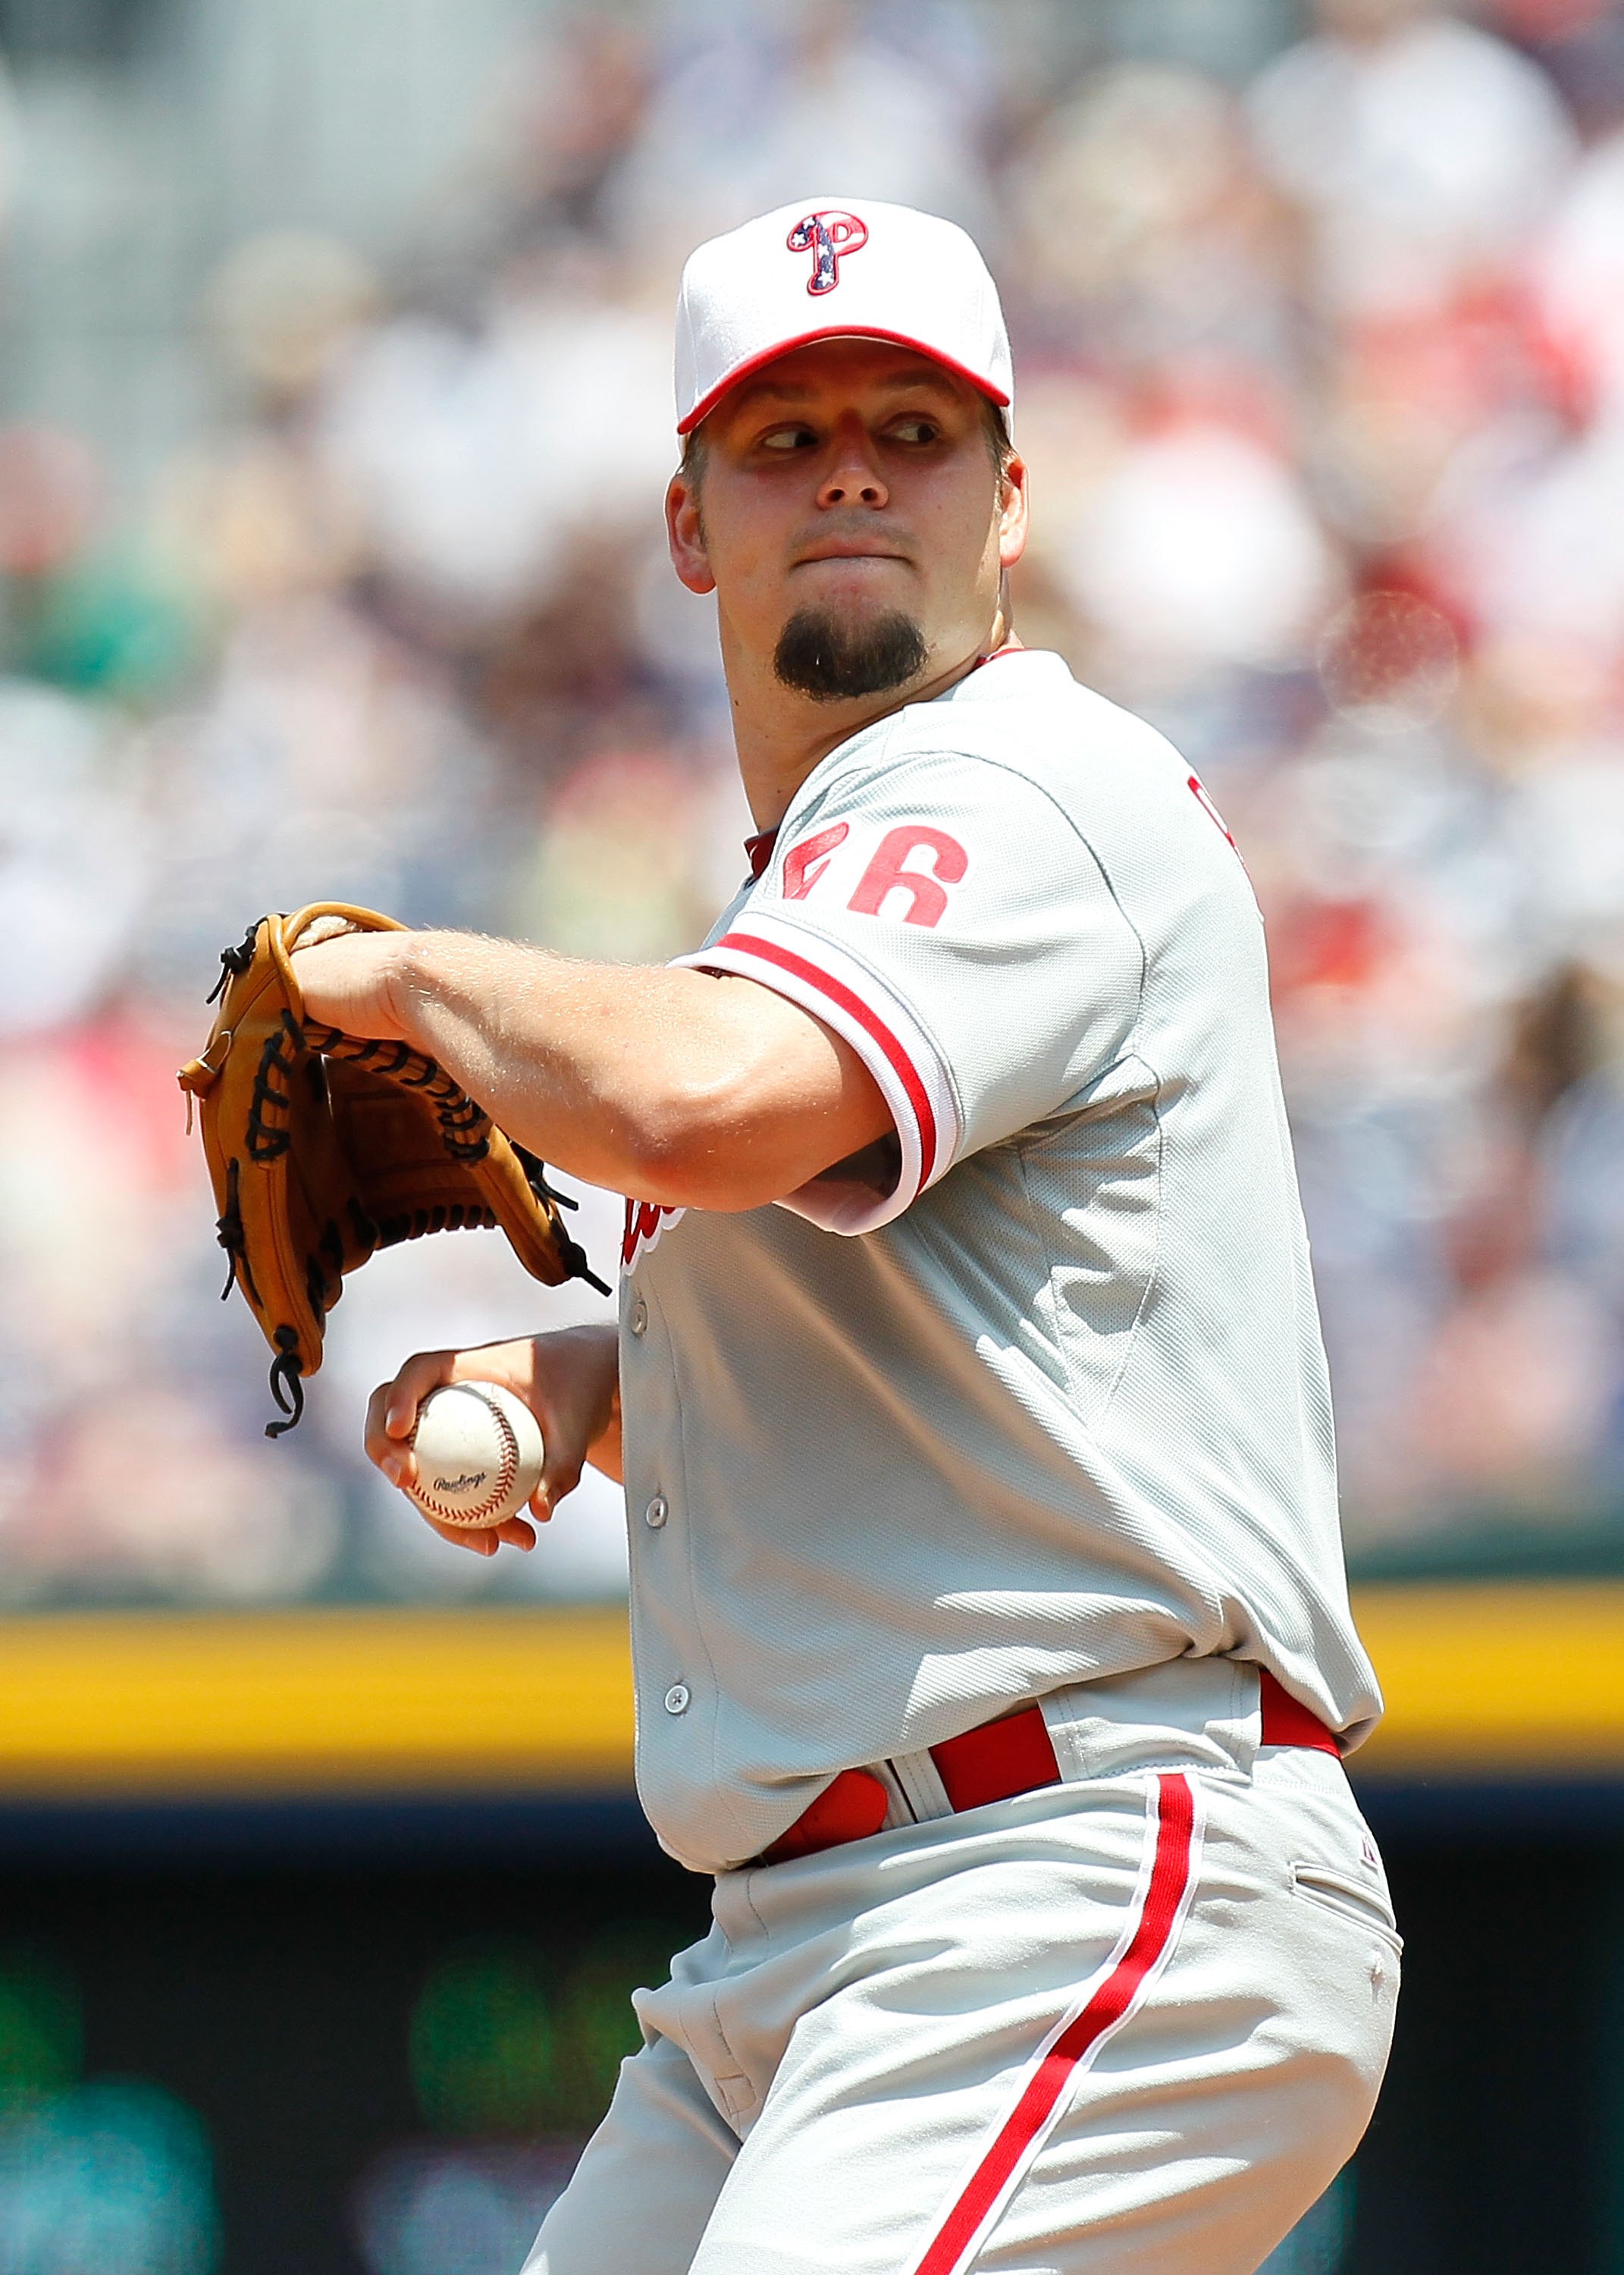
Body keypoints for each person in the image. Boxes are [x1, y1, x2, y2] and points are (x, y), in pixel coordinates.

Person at [293, 197, 1398, 2275]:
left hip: (1067, 1863)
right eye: (784, 437)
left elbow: (699, 1106)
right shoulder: (817, 896)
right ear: (694, 523)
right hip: (811, 1941)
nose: (854, 472)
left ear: (1007, 496)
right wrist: (595, 1389)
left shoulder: (1007, 788)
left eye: (911, 424)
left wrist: (400, 974)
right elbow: (928, 1389)